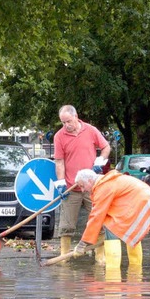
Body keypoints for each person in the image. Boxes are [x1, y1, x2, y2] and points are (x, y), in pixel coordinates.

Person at [72, 169, 150, 269]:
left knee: (111, 226)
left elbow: (96, 216)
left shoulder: (103, 187)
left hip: (140, 201)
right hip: (145, 199)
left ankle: (113, 273)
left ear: (90, 181)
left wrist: (82, 244)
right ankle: (135, 272)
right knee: (132, 232)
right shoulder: (106, 182)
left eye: (82, 186)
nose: (83, 190)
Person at [53, 105, 111, 262]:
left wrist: (100, 160)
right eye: (63, 122)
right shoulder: (59, 136)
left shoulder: (91, 130)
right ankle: (64, 257)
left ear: (76, 116)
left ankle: (100, 257)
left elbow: (106, 147)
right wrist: (60, 183)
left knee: (98, 221)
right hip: (71, 188)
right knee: (66, 226)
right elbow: (59, 162)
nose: (66, 125)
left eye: (69, 121)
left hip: (91, 186)